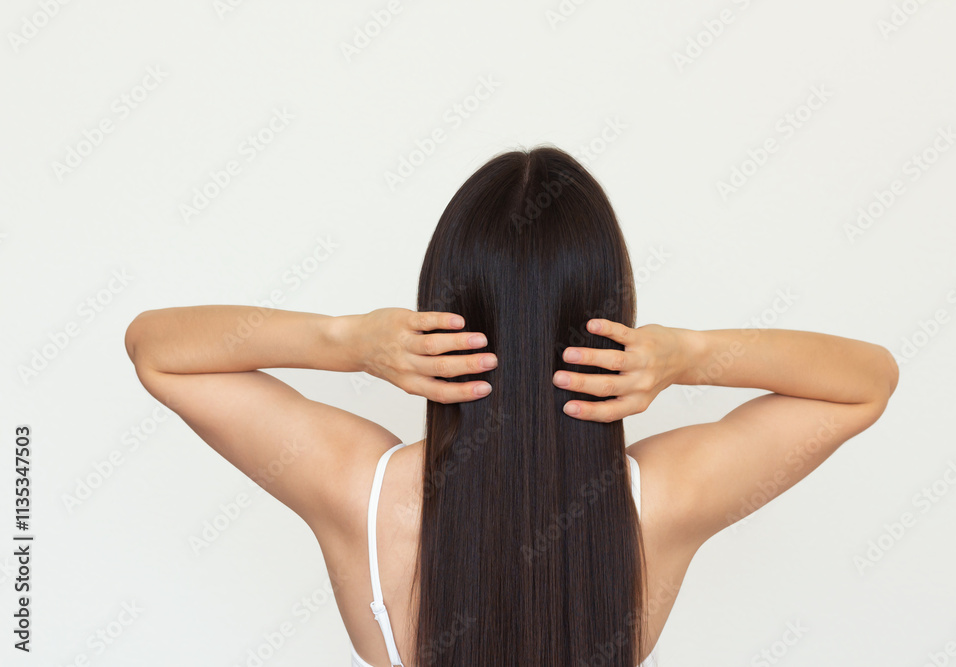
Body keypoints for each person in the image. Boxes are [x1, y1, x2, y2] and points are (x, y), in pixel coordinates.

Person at [124, 146, 898, 666]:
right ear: (609, 312)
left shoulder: (359, 491)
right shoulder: (661, 500)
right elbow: (868, 379)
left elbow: (156, 349)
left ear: (441, 308)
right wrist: (688, 356)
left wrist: (347, 340)